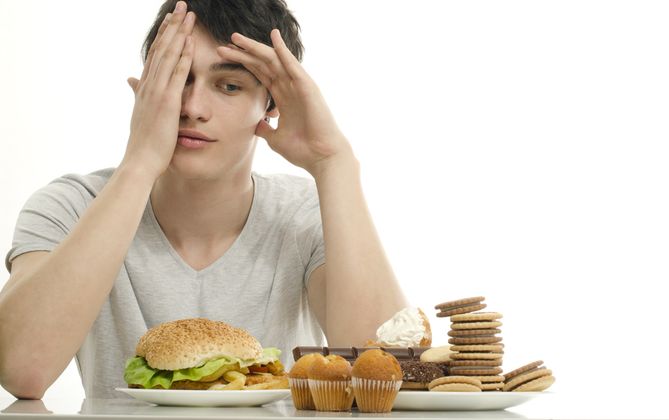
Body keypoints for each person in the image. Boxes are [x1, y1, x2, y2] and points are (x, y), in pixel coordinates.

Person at [0, 0, 407, 399]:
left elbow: (385, 373)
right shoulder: (69, 206)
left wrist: (333, 162)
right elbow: (21, 371)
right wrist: (139, 163)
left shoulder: (306, 213)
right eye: (177, 78)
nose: (192, 108)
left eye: (229, 86)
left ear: (271, 105)